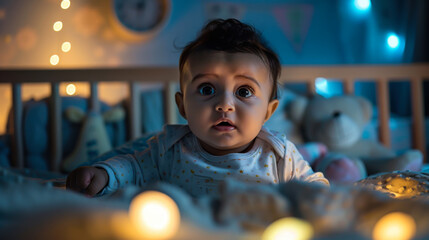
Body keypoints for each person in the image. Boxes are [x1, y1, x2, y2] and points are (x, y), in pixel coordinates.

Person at [66, 18, 329, 197]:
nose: (225, 104)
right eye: (207, 89)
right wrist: (103, 174)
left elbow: (314, 186)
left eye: (244, 92)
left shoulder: (279, 155)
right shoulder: (169, 150)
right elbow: (133, 168)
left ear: (268, 112)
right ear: (182, 105)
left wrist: (321, 200)